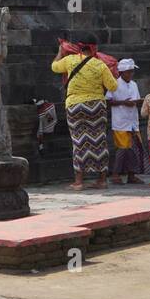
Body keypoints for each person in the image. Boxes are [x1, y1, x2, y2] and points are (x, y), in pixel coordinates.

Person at [52, 33, 118, 192]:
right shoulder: (100, 64)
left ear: (79, 47)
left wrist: (60, 52)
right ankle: (101, 180)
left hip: (75, 105)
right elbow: (113, 86)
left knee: (79, 142)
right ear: (94, 48)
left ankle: (79, 181)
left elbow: (54, 67)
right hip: (96, 106)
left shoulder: (70, 60)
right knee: (99, 141)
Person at [107, 58, 145, 185]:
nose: (130, 74)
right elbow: (108, 101)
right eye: (128, 72)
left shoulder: (134, 84)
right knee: (122, 149)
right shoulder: (114, 84)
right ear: (121, 73)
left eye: (132, 72)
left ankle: (131, 175)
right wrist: (123, 102)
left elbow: (137, 99)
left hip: (133, 121)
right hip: (121, 122)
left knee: (134, 149)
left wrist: (138, 102)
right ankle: (115, 174)